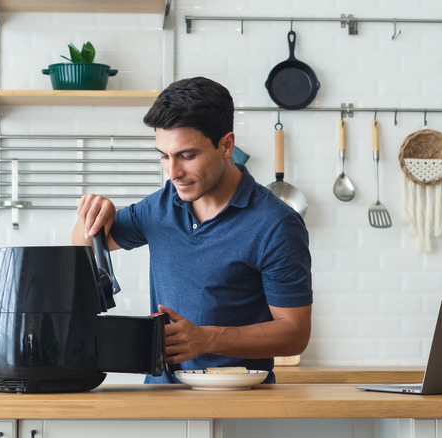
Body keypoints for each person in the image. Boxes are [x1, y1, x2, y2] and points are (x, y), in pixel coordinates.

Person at [72, 76, 313, 383]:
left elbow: (295, 333)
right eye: (164, 156)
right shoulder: (161, 206)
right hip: (161, 400)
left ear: (226, 145)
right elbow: (82, 247)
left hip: (239, 400)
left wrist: (207, 339)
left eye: (187, 156)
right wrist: (93, 214)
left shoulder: (276, 224)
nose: (173, 172)